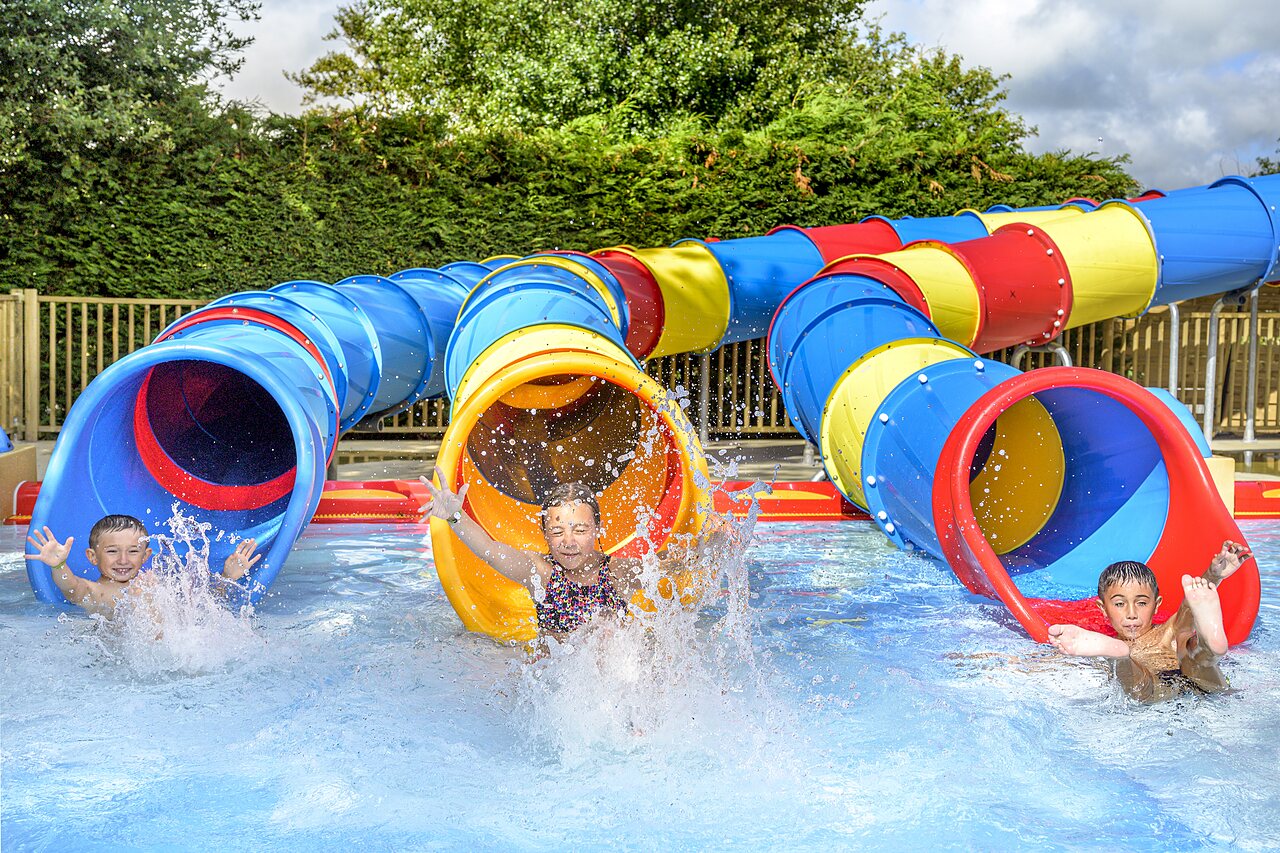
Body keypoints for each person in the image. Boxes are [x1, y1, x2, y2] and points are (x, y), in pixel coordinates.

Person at [419, 468, 728, 641]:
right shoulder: (539, 572)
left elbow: (672, 566)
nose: (568, 542)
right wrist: (454, 517)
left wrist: (713, 544)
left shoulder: (617, 573)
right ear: (544, 534)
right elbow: (490, 551)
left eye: (579, 530)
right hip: (558, 679)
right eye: (557, 532)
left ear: (597, 529)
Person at [1047, 540, 1252, 702]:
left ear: (1156, 605)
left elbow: (1189, 607)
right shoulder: (1099, 646)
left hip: (1170, 689)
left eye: (1142, 603)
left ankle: (1209, 646)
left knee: (1185, 645)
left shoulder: (1166, 632)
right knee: (1189, 664)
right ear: (1103, 609)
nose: (1131, 613)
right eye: (1119, 604)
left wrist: (1213, 575)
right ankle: (1206, 653)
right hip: (1188, 689)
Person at [26, 515, 261, 618]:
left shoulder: (155, 583)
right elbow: (72, 589)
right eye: (112, 551)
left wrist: (227, 577)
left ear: (146, 555)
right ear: (92, 557)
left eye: (133, 551)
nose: (123, 559)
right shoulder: (96, 591)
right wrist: (59, 566)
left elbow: (200, 604)